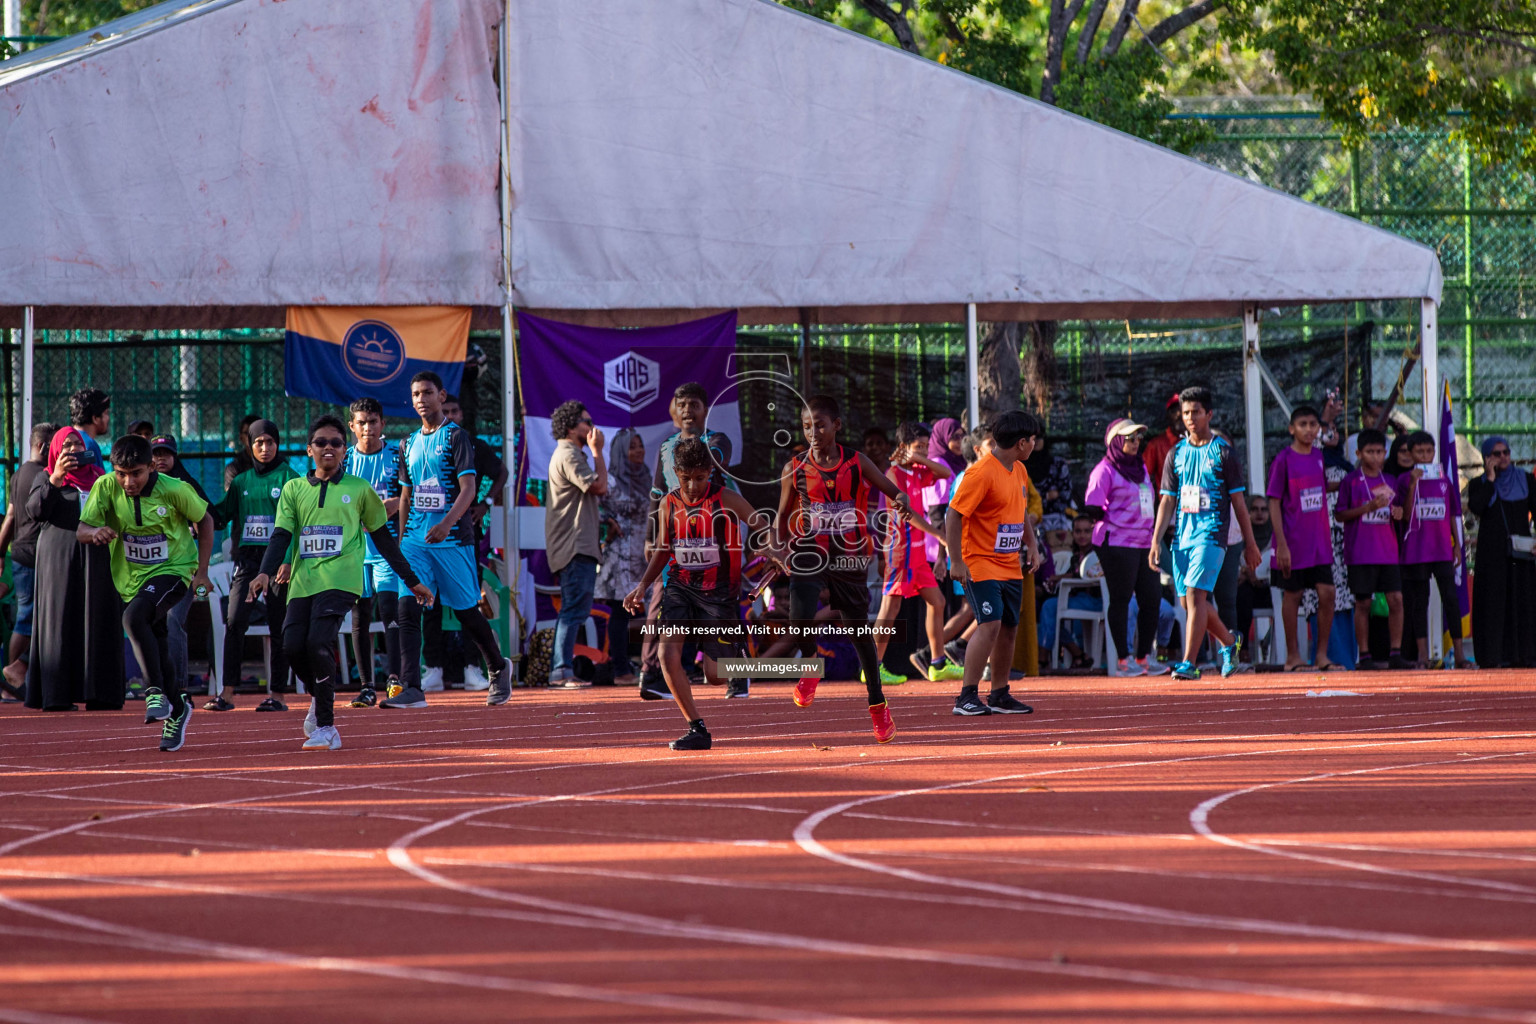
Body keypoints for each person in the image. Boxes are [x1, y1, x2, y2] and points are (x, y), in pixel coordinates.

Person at [248, 416, 434, 750]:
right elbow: (280, 536)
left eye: (335, 442)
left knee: (319, 642)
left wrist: (412, 580)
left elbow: (384, 539)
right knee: (292, 645)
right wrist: (265, 571)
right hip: (304, 581)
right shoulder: (293, 489)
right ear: (309, 450)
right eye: (321, 442)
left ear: (344, 450)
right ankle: (320, 699)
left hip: (343, 578)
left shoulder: (359, 489)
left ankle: (327, 727)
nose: (328, 448)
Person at [623, 438, 775, 750]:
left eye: (700, 478)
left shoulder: (727, 498)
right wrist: (642, 585)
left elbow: (761, 526)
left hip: (718, 594)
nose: (693, 485)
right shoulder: (669, 503)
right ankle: (697, 728)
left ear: (710, 473)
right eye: (686, 478)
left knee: (715, 676)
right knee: (667, 654)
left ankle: (740, 660)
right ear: (676, 473)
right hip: (680, 587)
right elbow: (664, 549)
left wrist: (774, 548)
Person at [778, 395, 913, 742]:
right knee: (798, 620)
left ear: (836, 426)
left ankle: (878, 705)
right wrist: (776, 547)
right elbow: (781, 517)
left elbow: (893, 491)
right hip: (810, 551)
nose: (813, 432)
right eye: (807, 426)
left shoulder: (856, 462)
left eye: (819, 425)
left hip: (850, 555)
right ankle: (810, 669)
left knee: (859, 635)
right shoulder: (794, 468)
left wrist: (902, 503)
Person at [383, 372, 514, 708]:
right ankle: (412, 686)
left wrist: (446, 524)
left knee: (467, 612)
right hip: (414, 541)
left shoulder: (456, 438)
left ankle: (498, 667)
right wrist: (401, 539)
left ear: (441, 396)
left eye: (427, 392)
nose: (421, 399)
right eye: (415, 394)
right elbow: (406, 496)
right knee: (407, 608)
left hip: (453, 540)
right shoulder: (406, 443)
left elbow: (469, 488)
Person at [77, 435, 213, 751]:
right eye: (122, 473)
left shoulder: (175, 489)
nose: (128, 481)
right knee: (157, 638)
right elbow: (81, 529)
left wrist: (202, 572)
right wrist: (95, 532)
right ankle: (178, 708)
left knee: (133, 618)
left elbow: (205, 521)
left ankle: (155, 693)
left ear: (151, 466)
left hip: (176, 570)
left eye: (136, 473)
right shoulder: (106, 486)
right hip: (132, 579)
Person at [1149, 387, 1261, 681]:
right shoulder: (1176, 454)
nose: (1190, 417)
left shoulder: (1224, 452)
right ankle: (1228, 641)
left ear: (1209, 414)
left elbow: (1238, 502)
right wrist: (1155, 539)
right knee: (1190, 603)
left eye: (1196, 411)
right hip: (1181, 538)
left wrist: (1250, 544)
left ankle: (1189, 662)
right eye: (1185, 412)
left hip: (1211, 536)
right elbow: (1167, 500)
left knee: (1198, 597)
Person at [942, 409, 1045, 715]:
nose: (1035, 445)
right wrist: (956, 561)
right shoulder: (981, 472)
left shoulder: (1020, 470)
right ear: (1022, 442)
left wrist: (1033, 546)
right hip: (980, 562)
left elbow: (1021, 511)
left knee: (1009, 627)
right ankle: (966, 696)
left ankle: (999, 694)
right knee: (989, 624)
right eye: (1033, 440)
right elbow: (953, 514)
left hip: (1010, 563)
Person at [640, 382, 735, 698]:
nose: (687, 411)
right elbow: (656, 495)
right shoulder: (665, 448)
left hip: (716, 544)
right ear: (673, 410)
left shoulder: (718, 441)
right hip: (676, 542)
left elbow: (709, 459)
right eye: (681, 405)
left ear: (705, 410)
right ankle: (651, 674)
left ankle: (740, 668)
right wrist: (651, 537)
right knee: (659, 604)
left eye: (694, 404)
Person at [25, 428, 123, 711]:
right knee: (60, 619)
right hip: (59, 556)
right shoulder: (45, 476)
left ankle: (101, 693)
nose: (71, 450)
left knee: (99, 616)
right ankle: (57, 695)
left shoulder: (102, 481)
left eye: (77, 445)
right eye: (65, 445)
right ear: (55, 449)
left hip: (98, 556)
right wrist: (56, 478)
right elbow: (35, 511)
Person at [206, 419, 298, 710]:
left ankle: (279, 695)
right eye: (259, 443)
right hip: (247, 562)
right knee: (234, 622)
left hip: (277, 563)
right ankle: (228, 693)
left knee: (278, 627)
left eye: (270, 442)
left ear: (277, 444)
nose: (265, 448)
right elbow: (221, 514)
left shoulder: (289, 479)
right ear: (250, 445)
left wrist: (286, 561)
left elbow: (297, 524)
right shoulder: (242, 481)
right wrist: (195, 508)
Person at [872, 422, 958, 684]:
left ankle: (937, 663)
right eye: (917, 447)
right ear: (902, 448)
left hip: (918, 555)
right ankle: (872, 667)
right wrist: (939, 534)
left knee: (938, 602)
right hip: (900, 553)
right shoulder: (892, 475)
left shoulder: (919, 471)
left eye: (925, 447)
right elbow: (908, 515)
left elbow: (945, 473)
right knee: (891, 607)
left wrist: (922, 458)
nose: (922, 452)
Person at [1083, 418, 1165, 676]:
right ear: (1115, 441)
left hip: (1144, 542)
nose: (1135, 442)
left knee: (1152, 598)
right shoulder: (1104, 470)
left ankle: (1142, 658)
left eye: (1138, 438)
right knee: (1121, 599)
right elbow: (1093, 506)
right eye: (1129, 438)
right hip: (1116, 542)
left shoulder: (1140, 467)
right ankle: (1122, 659)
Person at [439, 393, 508, 691]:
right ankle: (432, 669)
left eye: (455, 411)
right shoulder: (420, 445)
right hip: (427, 538)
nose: (451, 416)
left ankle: (472, 668)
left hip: (465, 537)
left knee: (469, 603)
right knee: (427, 604)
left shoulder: (473, 445)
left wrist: (485, 502)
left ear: (462, 415)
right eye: (447, 411)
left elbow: (502, 472)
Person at [1267, 406, 1341, 671]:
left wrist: (1348, 481)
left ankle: (1320, 655)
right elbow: (1273, 502)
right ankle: (1292, 657)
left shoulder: (1319, 457)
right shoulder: (1283, 460)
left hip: (1319, 543)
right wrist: (1282, 545)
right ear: (1291, 429)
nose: (1309, 429)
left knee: (1328, 593)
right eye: (1303, 424)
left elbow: (1320, 488)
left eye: (1313, 424)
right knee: (1293, 594)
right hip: (1293, 542)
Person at [544, 399, 609, 688]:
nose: (592, 427)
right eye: (586, 421)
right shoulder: (569, 453)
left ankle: (562, 669)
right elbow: (599, 487)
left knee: (575, 608)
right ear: (571, 427)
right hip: (574, 547)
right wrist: (598, 452)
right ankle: (560, 670)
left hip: (577, 545)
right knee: (573, 609)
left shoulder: (570, 452)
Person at [1395, 430, 1473, 669]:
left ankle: (1459, 655)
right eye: (1420, 451)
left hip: (1442, 550)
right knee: (1420, 601)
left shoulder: (1444, 480)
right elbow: (1405, 515)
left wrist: (1457, 546)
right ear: (1410, 453)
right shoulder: (1403, 480)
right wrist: (1412, 485)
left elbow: (1451, 514)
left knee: (1451, 598)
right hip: (1416, 551)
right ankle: (1422, 655)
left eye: (1429, 451)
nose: (1425, 455)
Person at [1335, 428, 1410, 670]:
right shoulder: (1351, 481)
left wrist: (1398, 512)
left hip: (1388, 551)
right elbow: (1340, 514)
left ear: (1386, 454)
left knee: (1396, 599)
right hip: (1360, 553)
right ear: (1358, 453)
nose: (1375, 456)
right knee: (1363, 603)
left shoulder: (1390, 480)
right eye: (1370, 452)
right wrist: (1367, 508)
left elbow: (1399, 511)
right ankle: (1365, 655)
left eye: (1379, 452)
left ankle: (1396, 652)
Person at [345, 398, 404, 705]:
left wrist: (385, 508)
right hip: (356, 552)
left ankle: (395, 679)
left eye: (373, 421)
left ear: (383, 424)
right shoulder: (345, 462)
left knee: (390, 612)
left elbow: (408, 494)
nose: (368, 428)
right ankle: (367, 685)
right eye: (362, 423)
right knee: (360, 617)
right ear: (352, 427)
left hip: (387, 549)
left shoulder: (396, 455)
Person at [150, 435, 211, 701]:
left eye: (166, 453)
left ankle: (180, 687)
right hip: (149, 570)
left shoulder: (184, 487)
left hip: (182, 569)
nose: (161, 458)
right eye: (155, 453)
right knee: (150, 623)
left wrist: (202, 572)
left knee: (174, 621)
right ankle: (155, 686)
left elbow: (206, 521)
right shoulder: (138, 487)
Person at [1467, 435, 1536, 668]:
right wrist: (1490, 479)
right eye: (1496, 454)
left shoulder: (1525, 480)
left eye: (1505, 452)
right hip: (1492, 555)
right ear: (1487, 458)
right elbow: (1477, 507)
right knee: (1494, 602)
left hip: (1521, 553)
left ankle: (1524, 655)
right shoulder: (1480, 483)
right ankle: (1494, 655)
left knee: (1523, 600)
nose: (1503, 457)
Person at [0, 423, 56, 699]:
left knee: (28, 615)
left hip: (20, 551)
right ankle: (13, 676)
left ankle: (17, 675)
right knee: (27, 617)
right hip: (35, 554)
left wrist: (1, 553)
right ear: (45, 447)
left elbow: (10, 517)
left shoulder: (18, 474)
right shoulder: (44, 475)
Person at [598, 428, 650, 686]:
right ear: (620, 452)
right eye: (632, 447)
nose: (638, 450)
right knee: (621, 612)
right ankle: (620, 669)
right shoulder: (612, 481)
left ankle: (653, 666)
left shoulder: (648, 477)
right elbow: (590, 505)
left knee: (655, 612)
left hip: (646, 555)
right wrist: (605, 520)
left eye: (640, 445)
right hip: (621, 557)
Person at [1142, 393, 1183, 479]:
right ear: (1168, 416)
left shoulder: (1197, 442)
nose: (1179, 414)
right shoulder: (1156, 444)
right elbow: (1143, 476)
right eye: (1174, 411)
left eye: (1184, 411)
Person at [224, 414, 262, 491]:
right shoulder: (234, 467)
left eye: (255, 431)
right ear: (241, 437)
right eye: (247, 433)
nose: (251, 436)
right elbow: (232, 496)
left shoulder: (279, 462)